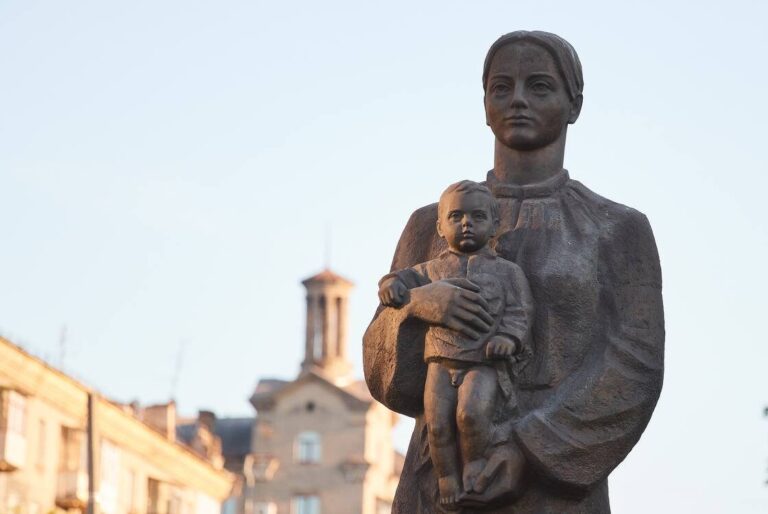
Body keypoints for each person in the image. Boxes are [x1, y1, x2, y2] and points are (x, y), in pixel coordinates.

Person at [363, 30, 664, 514]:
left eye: (539, 86)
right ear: (485, 105)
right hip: (439, 482)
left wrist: (528, 448)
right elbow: (382, 372)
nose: (517, 99)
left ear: (574, 103)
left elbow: (634, 366)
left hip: (556, 491)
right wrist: (416, 307)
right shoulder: (429, 223)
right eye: (501, 87)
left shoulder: (615, 228)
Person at [378, 180, 534, 509]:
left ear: (495, 225)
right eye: (456, 216)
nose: (466, 223)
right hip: (439, 361)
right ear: (440, 227)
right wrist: (391, 285)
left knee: (471, 414)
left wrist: (508, 338)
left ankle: (474, 463)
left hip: (482, 363)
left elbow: (520, 312)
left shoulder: (507, 272)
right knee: (437, 424)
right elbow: (402, 280)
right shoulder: (432, 270)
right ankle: (447, 476)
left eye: (478, 216)